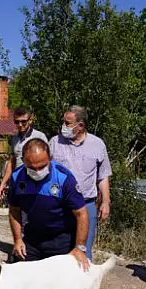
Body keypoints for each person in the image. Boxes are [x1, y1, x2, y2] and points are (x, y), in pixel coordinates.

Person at [6, 138, 91, 289]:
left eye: (42, 166)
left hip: (61, 239)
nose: (36, 171)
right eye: (31, 166)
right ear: (23, 161)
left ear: (50, 159)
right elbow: (14, 211)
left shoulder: (64, 178)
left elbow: (82, 213)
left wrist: (79, 247)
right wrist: (17, 240)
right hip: (32, 238)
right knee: (25, 280)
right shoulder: (17, 178)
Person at [49, 105, 112, 260]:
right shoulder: (54, 143)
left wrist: (106, 202)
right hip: (59, 205)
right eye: (63, 121)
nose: (63, 126)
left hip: (86, 204)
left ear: (81, 126)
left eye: (68, 123)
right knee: (58, 250)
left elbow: (103, 176)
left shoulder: (97, 145)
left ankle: (84, 284)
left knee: (83, 252)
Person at [0, 107, 48, 201]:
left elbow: (47, 162)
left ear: (30, 120)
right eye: (17, 122)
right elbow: (12, 161)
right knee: (17, 211)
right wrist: (3, 183)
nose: (20, 125)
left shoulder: (39, 136)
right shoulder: (14, 139)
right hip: (19, 181)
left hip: (36, 182)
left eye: (23, 121)